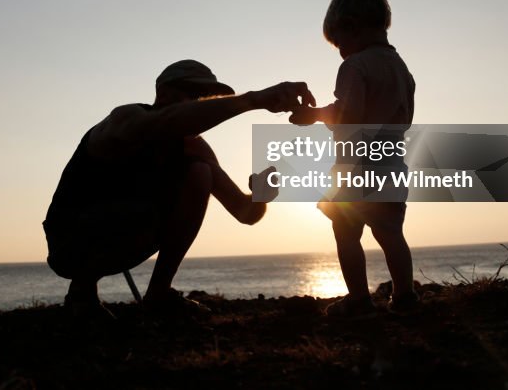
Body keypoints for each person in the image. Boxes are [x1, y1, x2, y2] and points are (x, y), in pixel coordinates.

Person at [43, 59, 314, 319]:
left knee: (200, 172)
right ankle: (82, 291)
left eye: (203, 98)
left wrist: (261, 196)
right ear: (163, 91)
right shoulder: (126, 117)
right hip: (72, 242)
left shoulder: (193, 147)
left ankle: (158, 294)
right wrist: (253, 100)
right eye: (193, 93)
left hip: (133, 236)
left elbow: (244, 213)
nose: (197, 103)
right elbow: (158, 124)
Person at [289, 0, 420, 317]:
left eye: (340, 42)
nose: (341, 51)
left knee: (346, 233)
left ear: (352, 26)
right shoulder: (401, 68)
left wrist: (314, 115)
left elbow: (349, 116)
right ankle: (405, 296)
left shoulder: (355, 66)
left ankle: (359, 299)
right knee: (391, 234)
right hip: (391, 163)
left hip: (356, 166)